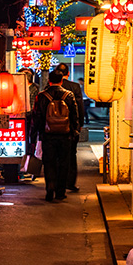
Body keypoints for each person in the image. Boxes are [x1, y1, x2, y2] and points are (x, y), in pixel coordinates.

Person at [31, 70, 79, 201]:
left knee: (49, 162)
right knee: (64, 163)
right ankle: (60, 192)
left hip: (48, 135)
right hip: (65, 135)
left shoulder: (42, 96)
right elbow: (74, 116)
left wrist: (34, 135)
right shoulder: (69, 95)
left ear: (49, 81)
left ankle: (50, 188)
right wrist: (75, 132)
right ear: (61, 81)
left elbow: (37, 117)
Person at [55, 64, 84, 192]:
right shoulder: (74, 87)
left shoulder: (49, 88)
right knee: (71, 155)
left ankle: (56, 183)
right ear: (67, 73)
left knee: (55, 156)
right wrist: (80, 124)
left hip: (52, 128)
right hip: (70, 127)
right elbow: (79, 107)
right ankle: (70, 183)